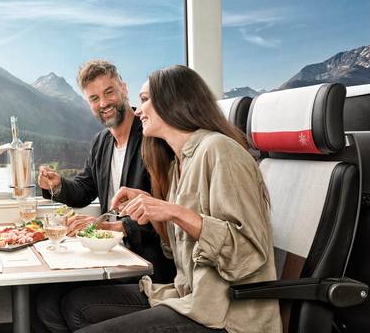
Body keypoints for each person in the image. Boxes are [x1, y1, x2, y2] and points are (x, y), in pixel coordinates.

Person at [61, 65, 282, 333]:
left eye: (144, 101)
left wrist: (174, 212)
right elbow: (173, 250)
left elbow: (247, 255)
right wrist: (152, 210)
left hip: (227, 315)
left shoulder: (220, 151)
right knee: (75, 306)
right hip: (186, 297)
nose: (138, 110)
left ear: (173, 101)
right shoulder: (178, 165)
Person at [34, 60, 175, 333]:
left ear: (124, 88)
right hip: (112, 254)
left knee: (73, 304)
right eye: (94, 98)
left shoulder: (153, 138)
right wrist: (58, 185)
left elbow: (167, 214)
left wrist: (111, 227)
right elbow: (84, 190)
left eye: (109, 92)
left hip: (148, 264)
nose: (104, 103)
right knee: (45, 301)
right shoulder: (101, 142)